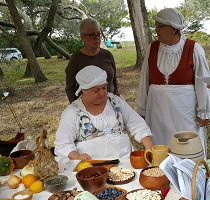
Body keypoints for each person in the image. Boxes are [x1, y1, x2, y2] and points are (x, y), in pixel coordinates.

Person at [136, 8, 210, 159]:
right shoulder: (153, 48)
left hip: (185, 112)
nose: (156, 29)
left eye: (160, 26)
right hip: (157, 111)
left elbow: (203, 82)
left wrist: (204, 111)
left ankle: (191, 175)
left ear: (175, 29)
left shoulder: (194, 49)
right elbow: (145, 79)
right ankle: (162, 174)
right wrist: (142, 109)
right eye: (156, 25)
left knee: (187, 146)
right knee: (161, 145)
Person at [55, 65, 153, 160]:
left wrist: (149, 146)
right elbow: (63, 144)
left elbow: (136, 123)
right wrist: (77, 157)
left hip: (124, 159)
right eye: (96, 90)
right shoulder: (73, 112)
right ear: (84, 90)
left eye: (104, 88)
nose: (102, 93)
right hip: (93, 166)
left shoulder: (115, 102)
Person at [65, 17, 119, 103]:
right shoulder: (76, 59)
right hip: (88, 108)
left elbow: (114, 81)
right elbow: (70, 88)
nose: (97, 38)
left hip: (111, 104)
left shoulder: (107, 55)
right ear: (83, 37)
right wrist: (77, 108)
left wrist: (117, 99)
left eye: (98, 34)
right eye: (92, 35)